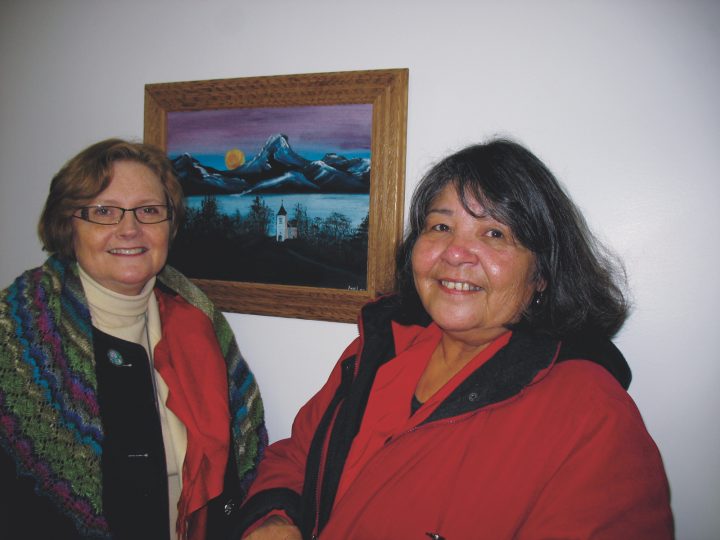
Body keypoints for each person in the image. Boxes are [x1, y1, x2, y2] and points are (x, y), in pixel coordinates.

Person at [230, 139, 674, 539]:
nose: (455, 253)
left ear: (542, 273)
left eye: (494, 233)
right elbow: (299, 455)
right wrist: (276, 518)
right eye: (440, 227)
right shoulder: (379, 350)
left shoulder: (591, 417)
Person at [0, 138, 267, 540]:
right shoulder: (16, 342)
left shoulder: (199, 324)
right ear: (67, 224)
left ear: (169, 224)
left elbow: (239, 470)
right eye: (104, 211)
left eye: (148, 210)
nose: (130, 229)